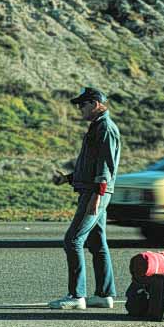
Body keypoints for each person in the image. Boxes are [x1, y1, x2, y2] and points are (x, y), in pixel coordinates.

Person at [49, 87, 121, 310]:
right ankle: (103, 295)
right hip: (93, 190)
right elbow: (91, 166)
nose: (79, 109)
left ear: (96, 104)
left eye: (83, 104)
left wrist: (97, 196)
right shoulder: (97, 127)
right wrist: (68, 179)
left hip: (95, 193)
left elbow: (106, 166)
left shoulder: (106, 128)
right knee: (97, 243)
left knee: (73, 240)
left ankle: (76, 296)